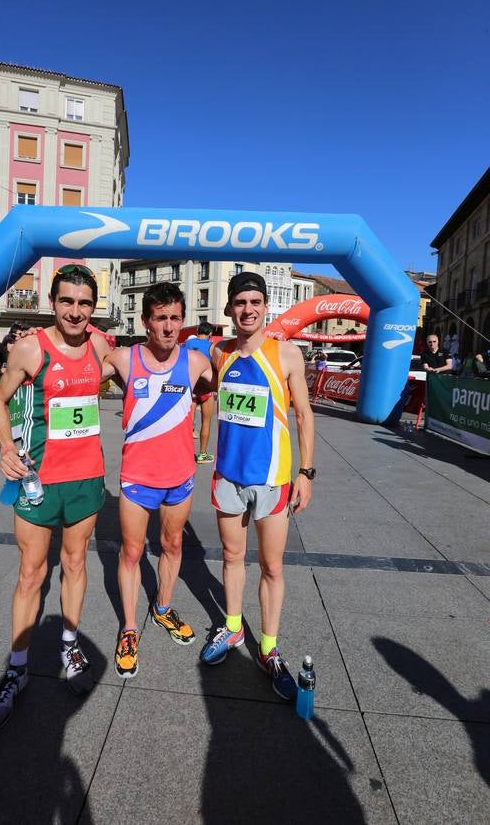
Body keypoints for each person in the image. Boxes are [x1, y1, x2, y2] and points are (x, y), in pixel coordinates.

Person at [0, 264, 111, 732]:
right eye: (67, 301)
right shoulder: (29, 349)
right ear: (53, 302)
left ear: (92, 307)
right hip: (38, 479)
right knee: (31, 573)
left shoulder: (101, 345)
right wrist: (5, 447)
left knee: (75, 564)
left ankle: (69, 645)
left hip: (87, 479)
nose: (75, 311)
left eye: (84, 303)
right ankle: (17, 668)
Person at [200, 271, 315, 701]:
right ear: (229, 309)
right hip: (229, 476)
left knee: (271, 566)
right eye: (240, 302)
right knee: (231, 556)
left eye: (255, 302)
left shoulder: (285, 354)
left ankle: (268, 647)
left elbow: (304, 415)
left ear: (266, 306)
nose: (248, 309)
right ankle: (231, 629)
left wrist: (307, 473)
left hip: (272, 480)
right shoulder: (218, 353)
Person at [102, 283, 212, 679]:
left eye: (175, 318)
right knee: (131, 553)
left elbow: (222, 381)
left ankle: (162, 607)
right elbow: (78, 370)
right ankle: (130, 629)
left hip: (179, 476)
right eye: (160, 318)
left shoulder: (197, 361)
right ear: (146, 322)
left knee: (172, 544)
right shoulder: (123, 358)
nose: (168, 326)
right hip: (137, 477)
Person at [184, 322, 216, 464]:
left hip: (191, 388)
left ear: (197, 330)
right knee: (206, 422)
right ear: (210, 334)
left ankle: (185, 454)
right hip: (206, 388)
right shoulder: (211, 347)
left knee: (188, 424)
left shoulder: (188, 343)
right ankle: (202, 454)